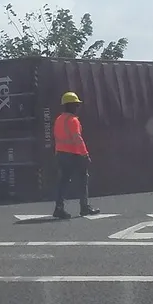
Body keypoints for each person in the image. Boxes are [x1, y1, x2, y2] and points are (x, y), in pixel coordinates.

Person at [52, 91, 100, 219]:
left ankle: (59, 208)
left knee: (63, 181)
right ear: (71, 105)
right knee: (83, 179)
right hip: (74, 154)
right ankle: (84, 207)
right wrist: (85, 154)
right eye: (76, 105)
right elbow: (77, 138)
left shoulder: (58, 120)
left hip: (61, 154)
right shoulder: (73, 120)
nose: (77, 107)